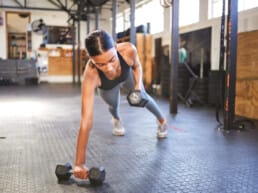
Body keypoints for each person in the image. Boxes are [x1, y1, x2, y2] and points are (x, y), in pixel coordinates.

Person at [74, 29, 168, 179]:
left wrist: (138, 86)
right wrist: (79, 163)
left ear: (116, 48)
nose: (109, 68)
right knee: (113, 106)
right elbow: (86, 121)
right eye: (101, 64)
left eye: (111, 60)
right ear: (92, 61)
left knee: (145, 98)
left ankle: (162, 121)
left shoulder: (128, 50)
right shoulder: (91, 75)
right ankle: (117, 120)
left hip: (127, 76)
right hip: (107, 87)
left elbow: (137, 66)